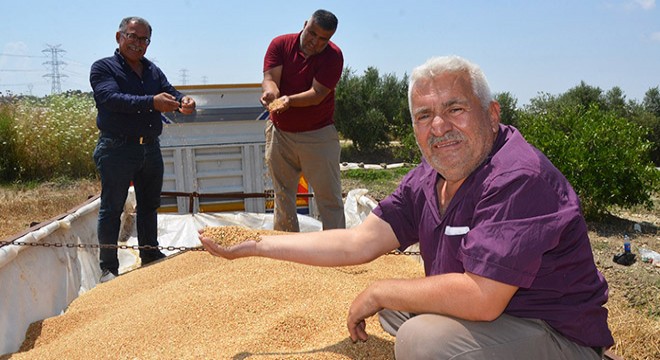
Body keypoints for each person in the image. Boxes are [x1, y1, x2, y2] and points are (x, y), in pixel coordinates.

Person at [200, 55, 614, 359]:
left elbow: (482, 298)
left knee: (422, 341)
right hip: (504, 318)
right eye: (424, 115)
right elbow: (357, 243)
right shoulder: (431, 176)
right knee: (400, 312)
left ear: (491, 114)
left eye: (455, 108)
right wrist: (256, 243)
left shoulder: (518, 177)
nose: (439, 127)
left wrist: (379, 288)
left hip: (556, 333)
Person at [90, 16, 196, 283]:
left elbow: (169, 91)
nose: (138, 44)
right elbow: (111, 99)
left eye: (144, 39)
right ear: (119, 36)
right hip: (116, 147)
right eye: (132, 37)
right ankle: (109, 268)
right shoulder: (103, 68)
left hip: (150, 148)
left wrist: (184, 100)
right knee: (112, 208)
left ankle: (150, 255)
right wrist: (152, 102)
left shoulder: (152, 71)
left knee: (149, 205)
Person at [260, 9, 345, 232]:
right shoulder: (280, 44)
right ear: (305, 24)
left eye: (323, 39)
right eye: (312, 33)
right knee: (282, 196)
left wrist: (287, 100)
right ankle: (287, 250)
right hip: (280, 133)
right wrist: (271, 93)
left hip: (318, 134)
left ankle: (336, 250)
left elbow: (317, 94)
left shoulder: (334, 56)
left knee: (329, 198)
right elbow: (270, 79)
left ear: (330, 39)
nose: (314, 42)